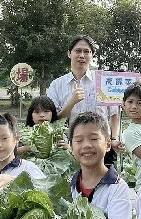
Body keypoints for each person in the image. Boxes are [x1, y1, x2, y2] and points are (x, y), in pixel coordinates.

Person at [47, 35, 124, 166]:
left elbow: (114, 113)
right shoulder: (57, 85)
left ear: (92, 55)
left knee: (105, 184)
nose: (82, 55)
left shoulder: (104, 80)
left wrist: (114, 139)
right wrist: (71, 102)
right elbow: (53, 119)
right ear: (69, 54)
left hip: (102, 145)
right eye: (77, 51)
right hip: (71, 146)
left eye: (86, 51)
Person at [0, 113, 45, 192]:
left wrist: (13, 181)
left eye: (4, 138)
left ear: (16, 139)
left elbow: (44, 190)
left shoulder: (29, 168)